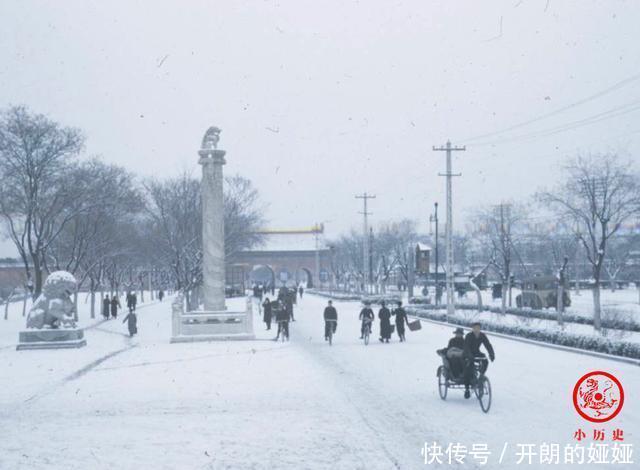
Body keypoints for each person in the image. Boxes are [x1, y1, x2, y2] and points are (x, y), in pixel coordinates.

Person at [463, 322, 495, 399]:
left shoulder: (482, 336)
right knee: (468, 368)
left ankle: (481, 376)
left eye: (478, 328)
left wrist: (491, 354)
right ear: (472, 329)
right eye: (475, 328)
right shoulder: (469, 336)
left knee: (485, 361)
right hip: (467, 354)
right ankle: (467, 389)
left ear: (480, 329)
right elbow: (466, 347)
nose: (477, 330)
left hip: (476, 352)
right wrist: (470, 356)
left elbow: (488, 345)